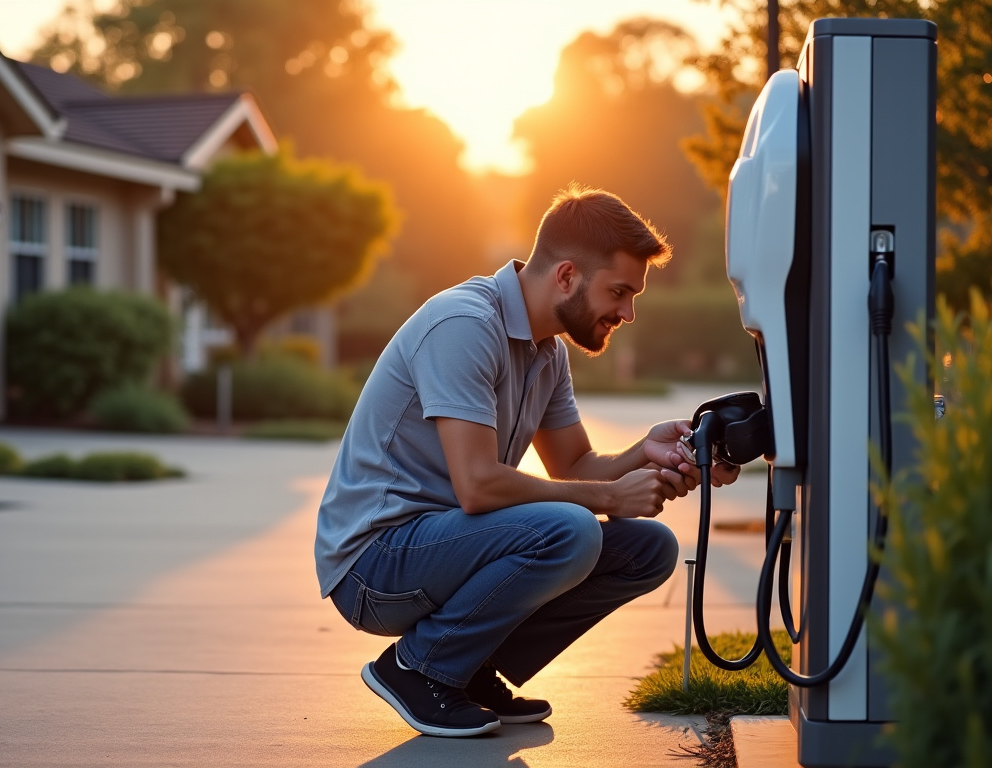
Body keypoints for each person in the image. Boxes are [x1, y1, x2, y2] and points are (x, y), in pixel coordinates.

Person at [313, 185, 741, 737]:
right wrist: (611, 498)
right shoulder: (465, 325)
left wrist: (647, 454)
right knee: (572, 529)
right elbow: (477, 487)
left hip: (443, 548)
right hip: (375, 565)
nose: (629, 312)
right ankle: (417, 668)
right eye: (619, 291)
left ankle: (466, 667)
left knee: (647, 549)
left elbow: (574, 464)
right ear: (566, 276)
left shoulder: (547, 351)